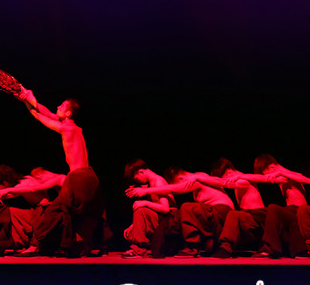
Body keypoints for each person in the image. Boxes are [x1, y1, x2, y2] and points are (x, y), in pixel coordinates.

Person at [15, 91, 105, 256]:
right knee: (85, 211)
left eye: (62, 106)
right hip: (90, 177)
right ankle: (83, 244)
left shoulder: (66, 129)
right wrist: (30, 99)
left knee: (54, 210)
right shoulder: (76, 128)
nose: (57, 107)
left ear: (69, 113)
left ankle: (36, 245)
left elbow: (39, 116)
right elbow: (48, 113)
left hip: (78, 178)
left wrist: (27, 101)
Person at [127, 167, 234, 257]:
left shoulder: (195, 179)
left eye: (177, 183)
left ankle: (191, 247)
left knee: (186, 207)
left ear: (181, 178)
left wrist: (145, 191)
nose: (180, 185)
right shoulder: (199, 177)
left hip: (222, 211)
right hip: (215, 214)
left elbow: (173, 189)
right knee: (189, 212)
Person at [222, 154, 310, 258]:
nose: (268, 177)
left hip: (298, 211)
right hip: (291, 211)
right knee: (274, 211)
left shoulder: (287, 175)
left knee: (273, 208)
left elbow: (301, 178)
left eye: (268, 174)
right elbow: (263, 178)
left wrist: (239, 176)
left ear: (272, 167)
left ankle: (270, 248)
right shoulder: (284, 175)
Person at [182, 158, 266, 259]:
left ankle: (225, 249)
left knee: (233, 214)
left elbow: (222, 182)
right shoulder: (239, 181)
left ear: (230, 172)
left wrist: (198, 177)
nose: (222, 179)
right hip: (248, 218)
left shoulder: (243, 181)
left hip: (257, 216)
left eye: (223, 177)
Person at [122, 159, 176, 258]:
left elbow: (165, 209)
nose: (136, 181)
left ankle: (139, 249)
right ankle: (147, 249)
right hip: (160, 218)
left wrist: (145, 202)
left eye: (136, 178)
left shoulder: (158, 181)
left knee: (140, 208)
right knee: (130, 233)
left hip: (169, 220)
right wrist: (134, 225)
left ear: (141, 171)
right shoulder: (151, 183)